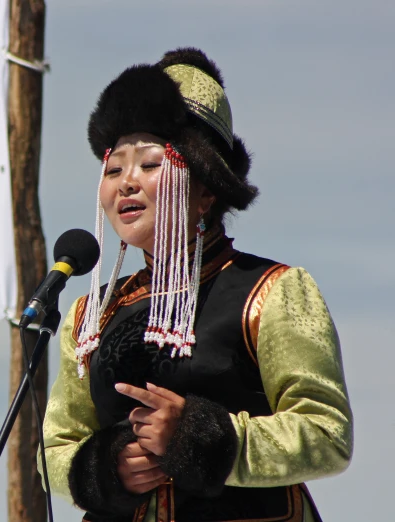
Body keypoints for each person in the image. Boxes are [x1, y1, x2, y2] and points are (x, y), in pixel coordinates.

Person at [38, 48, 352, 522]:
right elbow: (55, 449)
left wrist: (200, 437)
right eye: (113, 168)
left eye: (148, 164)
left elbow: (327, 434)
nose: (126, 183)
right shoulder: (89, 316)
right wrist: (107, 468)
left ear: (206, 190)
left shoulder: (273, 291)